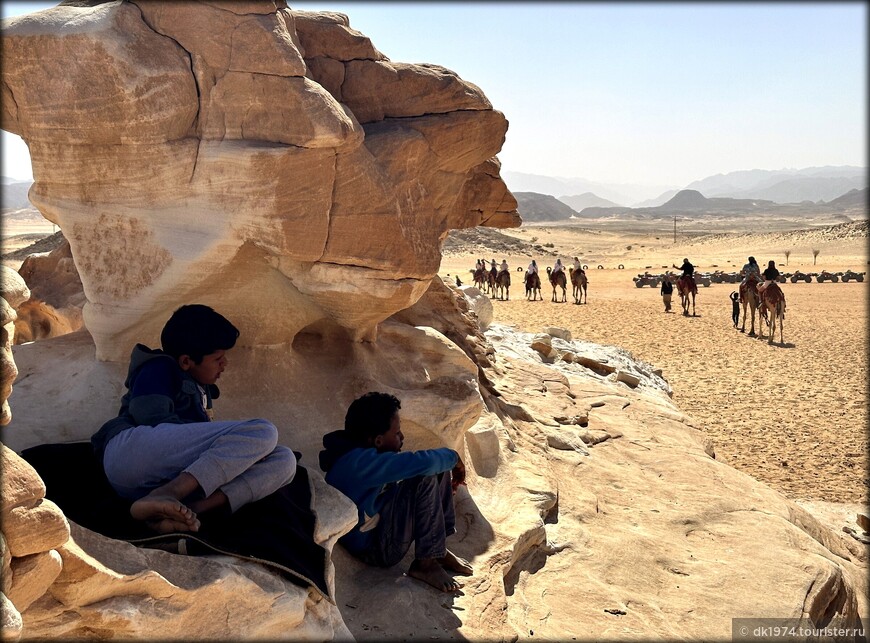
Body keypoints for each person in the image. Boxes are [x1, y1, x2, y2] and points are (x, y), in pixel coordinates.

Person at [91, 304, 297, 534]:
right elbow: (150, 417)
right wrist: (221, 447)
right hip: (130, 456)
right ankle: (171, 493)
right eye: (218, 358)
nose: (224, 364)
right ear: (186, 361)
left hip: (153, 481)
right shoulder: (159, 368)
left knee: (285, 460)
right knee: (263, 431)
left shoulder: (201, 388)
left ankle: (187, 509)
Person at [319, 392, 472, 593]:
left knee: (433, 468)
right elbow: (425, 463)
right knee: (425, 473)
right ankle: (425, 565)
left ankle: (437, 549)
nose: (402, 437)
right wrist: (454, 458)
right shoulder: (359, 465)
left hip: (381, 524)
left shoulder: (362, 455)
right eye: (397, 433)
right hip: (375, 548)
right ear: (379, 441)